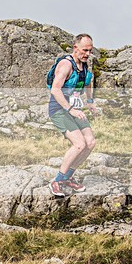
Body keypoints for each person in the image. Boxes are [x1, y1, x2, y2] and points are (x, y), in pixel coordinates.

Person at [48, 33, 97, 197]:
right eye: (85, 50)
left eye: (90, 50)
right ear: (75, 48)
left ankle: (67, 178)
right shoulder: (65, 65)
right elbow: (55, 89)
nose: (87, 54)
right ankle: (57, 181)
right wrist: (70, 109)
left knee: (90, 142)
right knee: (79, 144)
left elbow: (89, 81)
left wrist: (90, 101)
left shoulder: (85, 65)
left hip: (74, 109)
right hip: (59, 110)